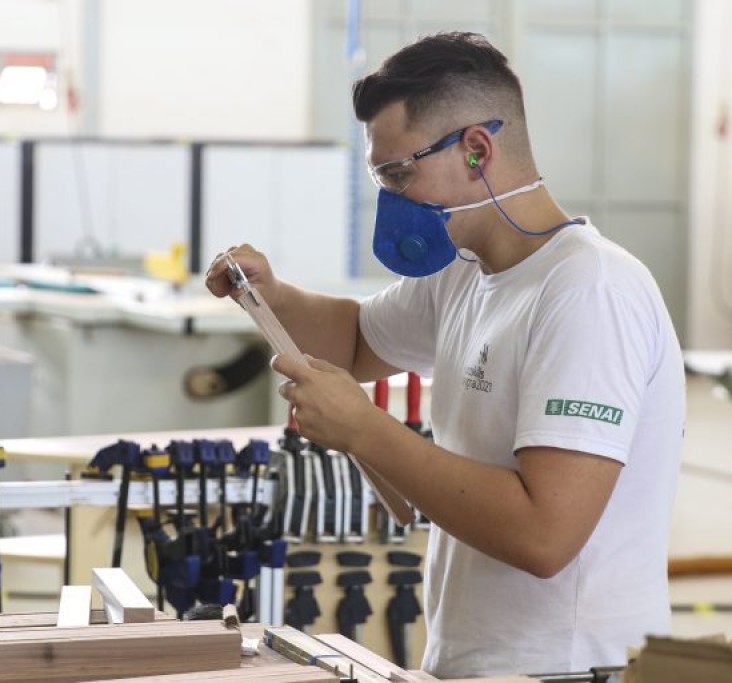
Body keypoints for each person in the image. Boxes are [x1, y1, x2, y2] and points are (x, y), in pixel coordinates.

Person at [206, 31, 684, 678]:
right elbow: (355, 341)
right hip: (476, 662)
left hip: (567, 668)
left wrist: (365, 430)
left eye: (401, 174)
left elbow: (544, 535)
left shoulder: (588, 291)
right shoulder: (464, 271)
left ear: (476, 149)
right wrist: (270, 296)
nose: (392, 201)